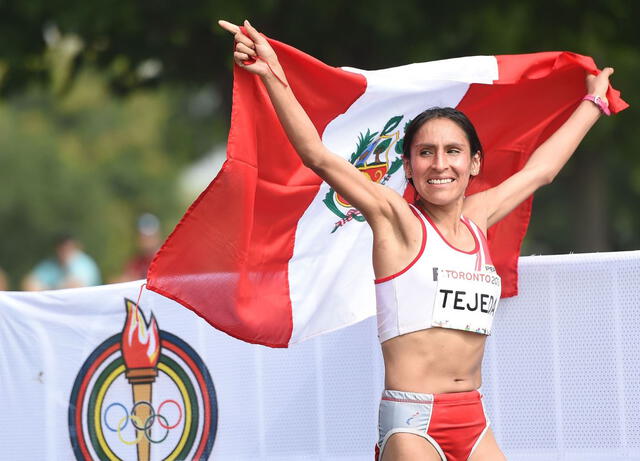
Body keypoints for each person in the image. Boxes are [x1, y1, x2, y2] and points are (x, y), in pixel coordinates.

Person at [219, 19, 614, 461]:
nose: (439, 164)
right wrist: (273, 73)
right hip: (413, 424)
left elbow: (541, 170)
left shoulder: (478, 219)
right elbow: (316, 155)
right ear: (408, 167)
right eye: (425, 153)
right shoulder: (395, 220)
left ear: (475, 163)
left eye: (453, 151)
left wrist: (593, 102)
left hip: (474, 418)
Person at [22, 233, 102, 290]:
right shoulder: (50, 264)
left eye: (68, 247)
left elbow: (75, 286)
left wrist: (47, 290)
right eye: (62, 248)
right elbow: (29, 284)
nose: (64, 251)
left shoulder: (84, 264)